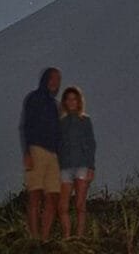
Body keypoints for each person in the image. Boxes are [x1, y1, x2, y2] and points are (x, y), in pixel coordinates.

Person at [19, 67, 62, 241]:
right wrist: (27, 151)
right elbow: (26, 125)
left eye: (58, 80)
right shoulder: (34, 99)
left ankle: (44, 237)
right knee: (35, 194)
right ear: (46, 80)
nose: (56, 83)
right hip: (36, 150)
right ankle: (34, 237)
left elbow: (58, 131)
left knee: (53, 196)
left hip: (53, 154)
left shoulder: (54, 105)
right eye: (53, 79)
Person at [57, 86, 96, 239]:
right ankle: (67, 237)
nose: (71, 102)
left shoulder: (85, 120)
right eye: (68, 99)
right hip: (65, 167)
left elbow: (91, 144)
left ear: (78, 101)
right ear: (65, 102)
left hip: (82, 165)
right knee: (63, 206)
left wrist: (91, 166)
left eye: (74, 99)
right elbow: (58, 146)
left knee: (80, 204)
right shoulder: (61, 123)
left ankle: (79, 237)